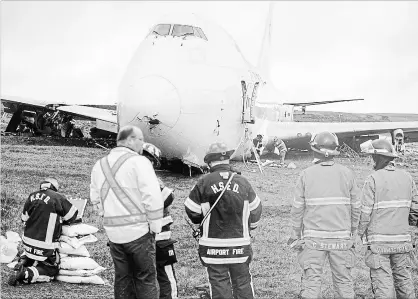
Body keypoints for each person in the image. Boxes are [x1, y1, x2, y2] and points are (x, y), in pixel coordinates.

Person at [90, 125, 164, 299]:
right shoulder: (139, 162)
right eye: (141, 140)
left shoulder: (99, 164)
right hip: (139, 232)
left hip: (114, 234)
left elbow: (95, 198)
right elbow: (152, 197)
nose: (142, 144)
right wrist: (155, 226)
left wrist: (106, 215)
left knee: (122, 278)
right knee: (145, 278)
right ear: (130, 140)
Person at [184, 142, 262, 299]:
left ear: (210, 162)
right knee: (243, 283)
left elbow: (191, 209)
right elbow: (256, 209)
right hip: (240, 247)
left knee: (219, 285)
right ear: (227, 160)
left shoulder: (204, 182)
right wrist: (250, 228)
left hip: (213, 248)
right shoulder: (243, 181)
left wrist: (202, 220)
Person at [288, 131, 361, 299]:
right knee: (344, 283)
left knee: (312, 284)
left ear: (315, 150)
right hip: (342, 240)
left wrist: (295, 234)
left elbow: (298, 208)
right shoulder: (347, 174)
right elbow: (356, 207)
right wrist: (353, 230)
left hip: (313, 241)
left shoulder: (306, 174)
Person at [358, 138, 418, 299]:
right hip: (403, 242)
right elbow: (415, 211)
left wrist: (358, 233)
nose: (371, 161)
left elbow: (364, 213)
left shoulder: (373, 180)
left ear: (378, 158)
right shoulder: (407, 178)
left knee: (383, 284)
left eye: (373, 157)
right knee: (404, 281)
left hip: (379, 245)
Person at [8, 178, 79, 286]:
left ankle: (23, 262)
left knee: (31, 256)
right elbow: (72, 216)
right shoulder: (57, 197)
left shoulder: (32, 196)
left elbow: (24, 218)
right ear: (55, 188)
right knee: (51, 270)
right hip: (45, 246)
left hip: (27, 244)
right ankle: (26, 273)